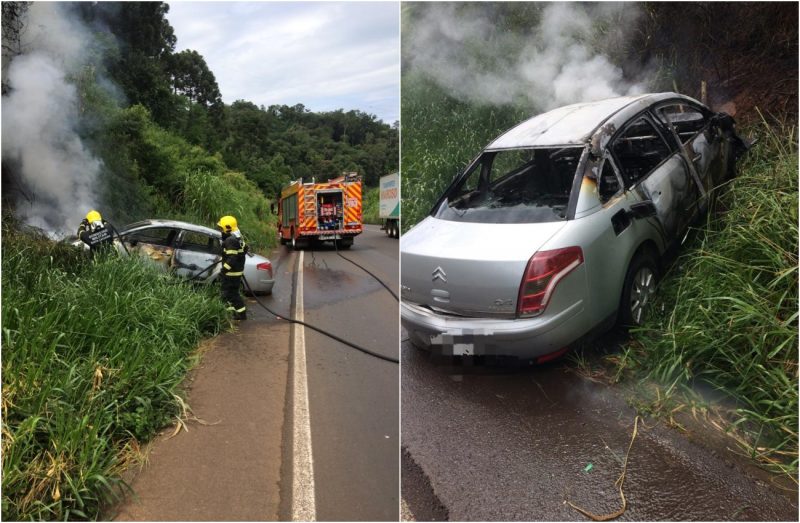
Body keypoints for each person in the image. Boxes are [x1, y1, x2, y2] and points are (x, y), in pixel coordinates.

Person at [217, 215, 248, 320]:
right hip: (235, 273)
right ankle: (235, 314)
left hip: (231, 274)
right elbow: (244, 250)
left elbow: (232, 258)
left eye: (221, 228)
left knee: (230, 294)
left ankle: (241, 315)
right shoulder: (237, 238)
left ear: (228, 228)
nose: (220, 231)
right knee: (231, 294)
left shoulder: (230, 240)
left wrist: (223, 270)